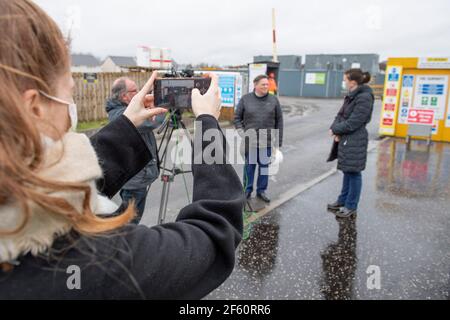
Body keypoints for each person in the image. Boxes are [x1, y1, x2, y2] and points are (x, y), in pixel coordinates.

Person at [0, 0, 244, 299]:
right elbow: (213, 236)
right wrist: (207, 122)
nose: (70, 107)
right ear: (34, 108)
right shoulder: (86, 259)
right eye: (69, 91)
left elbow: (60, 188)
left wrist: (128, 124)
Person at [106, 77, 163, 223]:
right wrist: (163, 104)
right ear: (125, 96)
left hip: (137, 177)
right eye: (135, 90)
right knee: (129, 221)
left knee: (130, 218)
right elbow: (153, 122)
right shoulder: (121, 115)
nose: (138, 93)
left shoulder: (125, 110)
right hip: (135, 179)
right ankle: (122, 243)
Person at [327, 69, 374, 218]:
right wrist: (334, 128)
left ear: (352, 82)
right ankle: (342, 201)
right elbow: (340, 115)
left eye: (345, 79)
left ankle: (351, 205)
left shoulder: (364, 97)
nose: (344, 81)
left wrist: (336, 129)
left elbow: (355, 122)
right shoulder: (352, 95)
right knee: (347, 171)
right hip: (347, 138)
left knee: (354, 173)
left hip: (355, 139)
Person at [234, 74, 284, 203]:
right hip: (250, 142)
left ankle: (261, 191)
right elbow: (237, 118)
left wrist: (278, 142)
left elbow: (279, 121)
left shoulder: (273, 100)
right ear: (255, 85)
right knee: (249, 168)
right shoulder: (246, 99)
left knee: (264, 168)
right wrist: (242, 132)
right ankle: (247, 190)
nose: (266, 86)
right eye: (263, 84)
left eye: (267, 84)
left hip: (266, 142)